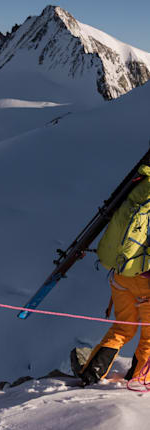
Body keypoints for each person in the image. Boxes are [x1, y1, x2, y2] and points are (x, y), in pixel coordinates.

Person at [79, 164, 150, 386]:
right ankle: (139, 382)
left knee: (122, 329)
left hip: (121, 276)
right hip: (146, 280)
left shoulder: (139, 183)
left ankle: (90, 374)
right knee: (149, 338)